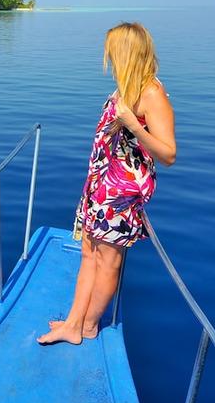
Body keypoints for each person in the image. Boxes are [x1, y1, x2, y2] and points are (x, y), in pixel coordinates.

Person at [37, 22, 176, 345]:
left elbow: (168, 154)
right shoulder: (124, 87)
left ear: (126, 51)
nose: (108, 56)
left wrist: (134, 125)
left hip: (121, 194)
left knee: (108, 260)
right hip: (99, 187)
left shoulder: (151, 93)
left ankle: (87, 326)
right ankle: (73, 321)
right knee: (88, 253)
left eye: (112, 49)